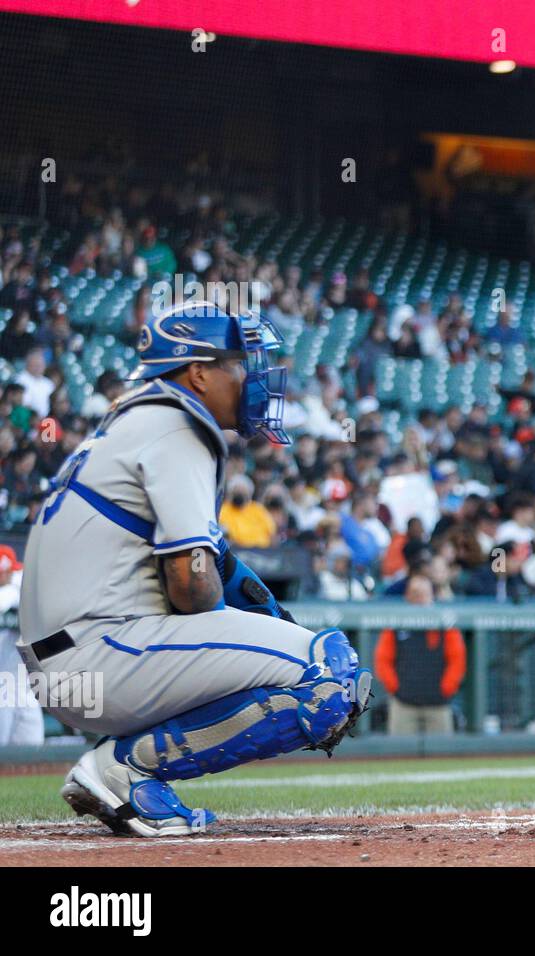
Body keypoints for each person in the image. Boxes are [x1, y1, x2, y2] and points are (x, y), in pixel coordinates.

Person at [16, 301, 371, 837]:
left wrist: (261, 617)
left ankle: (121, 761)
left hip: (74, 664)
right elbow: (189, 588)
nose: (253, 377)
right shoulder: (179, 424)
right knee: (332, 676)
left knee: (291, 648)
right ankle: (125, 769)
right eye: (239, 363)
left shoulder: (135, 421)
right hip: (105, 653)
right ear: (198, 372)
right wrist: (250, 631)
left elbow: (212, 564)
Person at [373, 575, 466, 735]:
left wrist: (446, 688)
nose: (420, 598)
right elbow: (383, 660)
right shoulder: (396, 624)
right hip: (404, 703)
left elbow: (457, 660)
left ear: (432, 596)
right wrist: (396, 688)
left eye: (424, 593)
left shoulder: (444, 623)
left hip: (438, 703)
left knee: (442, 754)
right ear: (408, 596)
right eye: (415, 593)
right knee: (400, 754)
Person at [0, 545, 43, 746]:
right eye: (5, 572)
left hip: (24, 686)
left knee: (33, 748)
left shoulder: (16, 587)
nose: (9, 575)